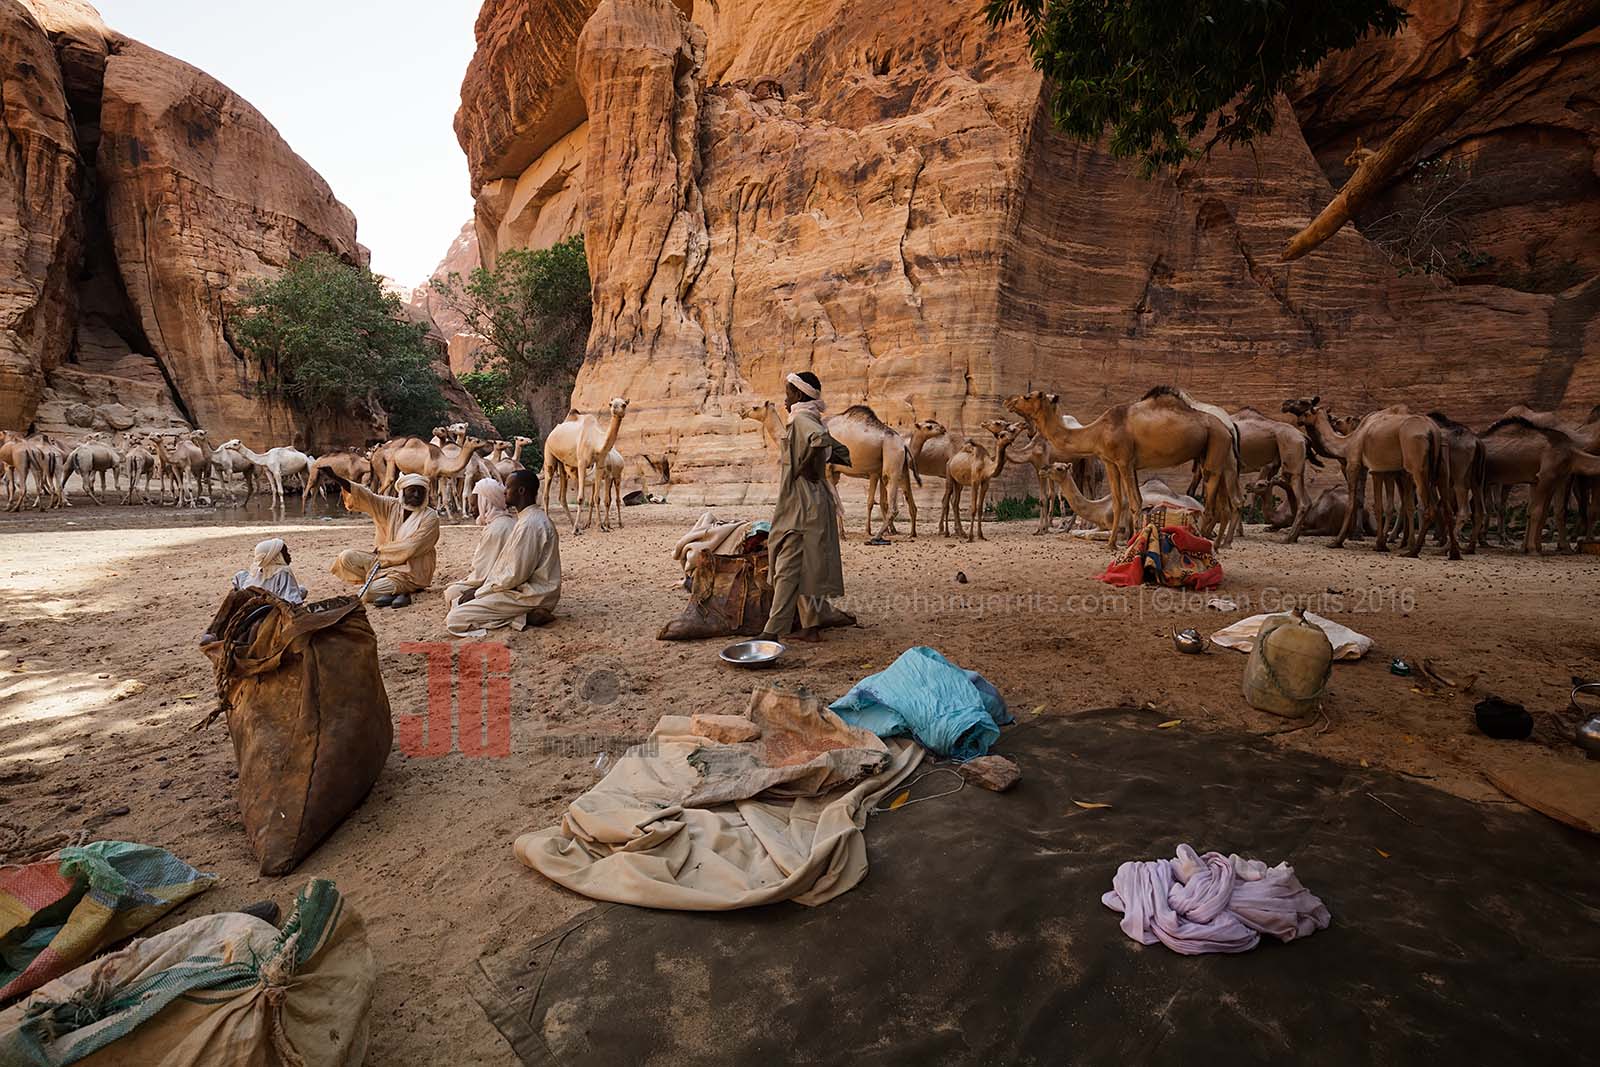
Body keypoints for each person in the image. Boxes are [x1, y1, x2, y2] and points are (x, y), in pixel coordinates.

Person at [758, 371, 851, 642]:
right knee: (804, 564)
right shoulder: (811, 417)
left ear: (798, 395)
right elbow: (835, 448)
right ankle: (810, 626)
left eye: (788, 393)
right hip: (811, 500)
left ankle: (771, 633)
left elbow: (819, 440)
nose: (785, 400)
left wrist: (809, 466)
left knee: (786, 564)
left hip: (803, 503)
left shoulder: (800, 418)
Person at [444, 469, 561, 637]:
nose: (504, 491)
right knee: (457, 600)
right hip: (521, 588)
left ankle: (524, 617)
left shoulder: (531, 524)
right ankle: (522, 617)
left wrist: (479, 592)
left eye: (508, 487)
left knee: (456, 618)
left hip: (533, 595)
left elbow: (515, 574)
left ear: (521, 491)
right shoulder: (527, 519)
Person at [322, 470, 441, 608]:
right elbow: (367, 496)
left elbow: (413, 546)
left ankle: (405, 588)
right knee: (345, 558)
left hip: (411, 572)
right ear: (402, 491)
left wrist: (382, 552)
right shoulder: (391, 506)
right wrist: (338, 478)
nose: (416, 495)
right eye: (412, 490)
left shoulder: (430, 517)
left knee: (367, 593)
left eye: (420, 491)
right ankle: (391, 587)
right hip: (384, 562)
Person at [231, 537, 307, 603]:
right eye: (285, 553)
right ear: (276, 557)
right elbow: (292, 599)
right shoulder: (283, 571)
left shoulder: (256, 568)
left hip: (254, 599)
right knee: (303, 590)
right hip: (270, 605)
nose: (289, 555)